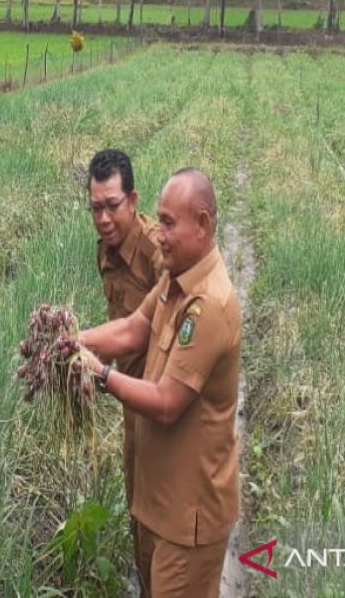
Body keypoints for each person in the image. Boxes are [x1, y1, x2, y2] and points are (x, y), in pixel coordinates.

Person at [77, 168, 241, 598]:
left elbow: (168, 402)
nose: (158, 233)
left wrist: (99, 373)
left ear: (202, 224)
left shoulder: (210, 306)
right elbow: (133, 328)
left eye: (168, 223)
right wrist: (72, 341)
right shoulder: (174, 278)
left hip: (188, 518)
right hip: (157, 502)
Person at [86, 148, 164, 585]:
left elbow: (137, 329)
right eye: (95, 208)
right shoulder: (107, 250)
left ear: (133, 200)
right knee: (137, 509)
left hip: (166, 404)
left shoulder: (157, 253)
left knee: (162, 517)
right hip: (131, 400)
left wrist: (77, 342)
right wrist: (92, 367)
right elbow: (120, 327)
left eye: (112, 206)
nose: (104, 218)